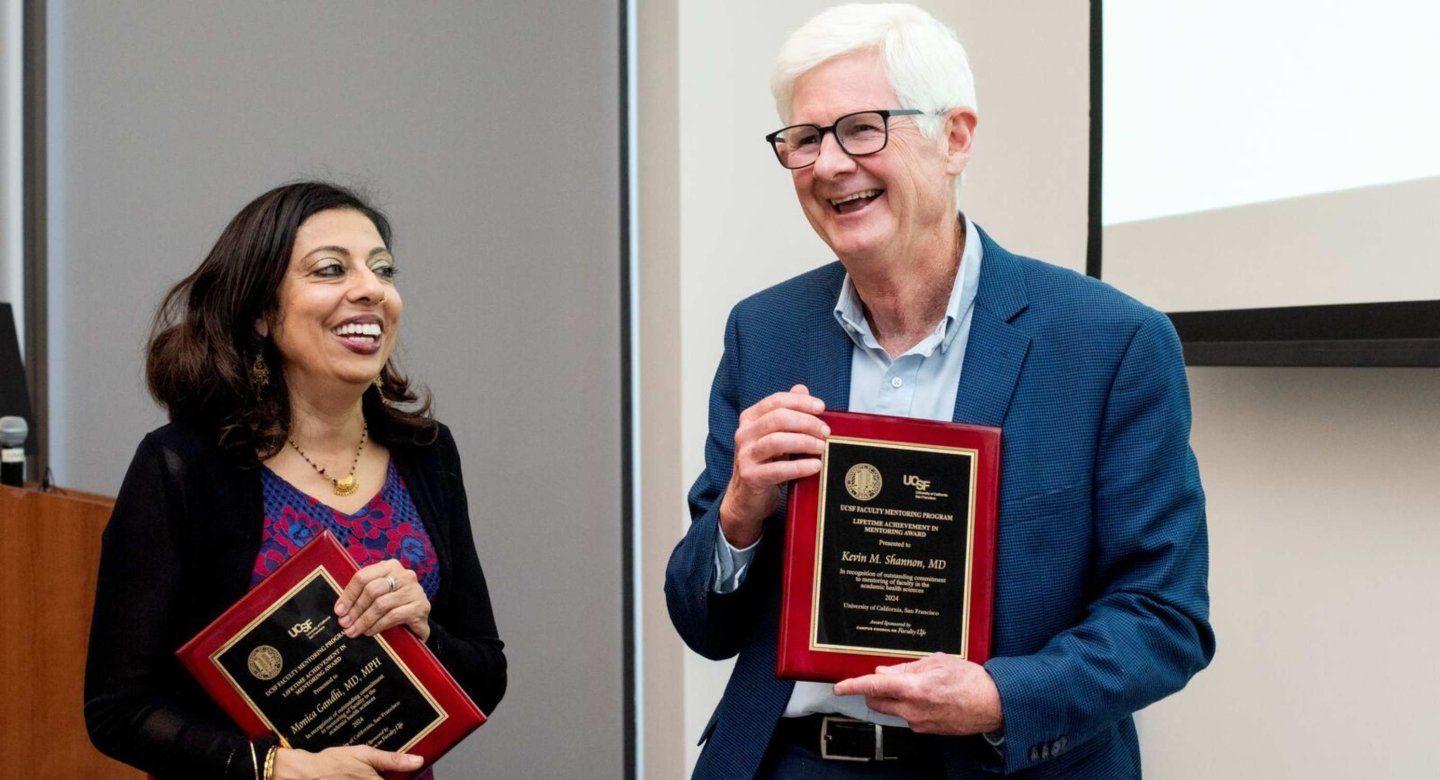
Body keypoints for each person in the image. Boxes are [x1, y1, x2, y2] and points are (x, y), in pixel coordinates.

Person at [664, 4, 1214, 778]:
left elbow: (1165, 618)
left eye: (862, 128)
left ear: (956, 137)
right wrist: (738, 516)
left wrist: (998, 694)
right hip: (786, 763)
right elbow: (702, 621)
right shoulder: (765, 332)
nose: (828, 165)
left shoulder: (1110, 344)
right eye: (805, 139)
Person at [84, 182, 507, 779]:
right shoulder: (181, 465)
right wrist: (275, 769)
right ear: (261, 310)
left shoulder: (428, 455)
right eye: (330, 269)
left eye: (383, 270)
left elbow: (486, 675)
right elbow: (118, 711)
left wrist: (425, 634)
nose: (370, 288)